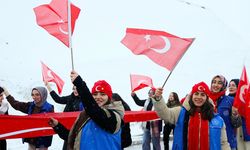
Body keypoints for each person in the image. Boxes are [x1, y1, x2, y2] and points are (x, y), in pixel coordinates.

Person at [48, 70, 125, 150]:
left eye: (102, 94)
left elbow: (95, 112)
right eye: (95, 94)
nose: (98, 97)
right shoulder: (84, 115)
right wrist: (57, 126)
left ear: (109, 97)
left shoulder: (113, 116)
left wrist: (79, 83)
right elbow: (73, 138)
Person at [152, 82, 230, 149]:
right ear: (191, 96)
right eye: (196, 94)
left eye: (202, 95)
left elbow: (223, 143)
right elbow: (164, 114)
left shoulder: (217, 119)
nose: (199, 97)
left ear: (207, 98)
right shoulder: (180, 112)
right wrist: (158, 99)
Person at [45, 82, 84, 150]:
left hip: (78, 130)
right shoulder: (71, 97)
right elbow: (58, 99)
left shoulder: (85, 101)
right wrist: (48, 87)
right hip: (66, 129)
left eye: (77, 89)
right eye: (74, 89)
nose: (75, 90)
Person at [210, 75, 241, 150]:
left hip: (228, 143)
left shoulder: (230, 101)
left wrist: (235, 115)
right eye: (214, 82)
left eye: (219, 83)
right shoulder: (206, 99)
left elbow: (237, 124)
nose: (216, 85)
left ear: (224, 86)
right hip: (210, 142)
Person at [228, 79, 250, 149]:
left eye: (233, 85)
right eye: (229, 85)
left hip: (244, 130)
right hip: (232, 130)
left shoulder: (245, 100)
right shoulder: (227, 100)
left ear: (239, 87)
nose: (231, 87)